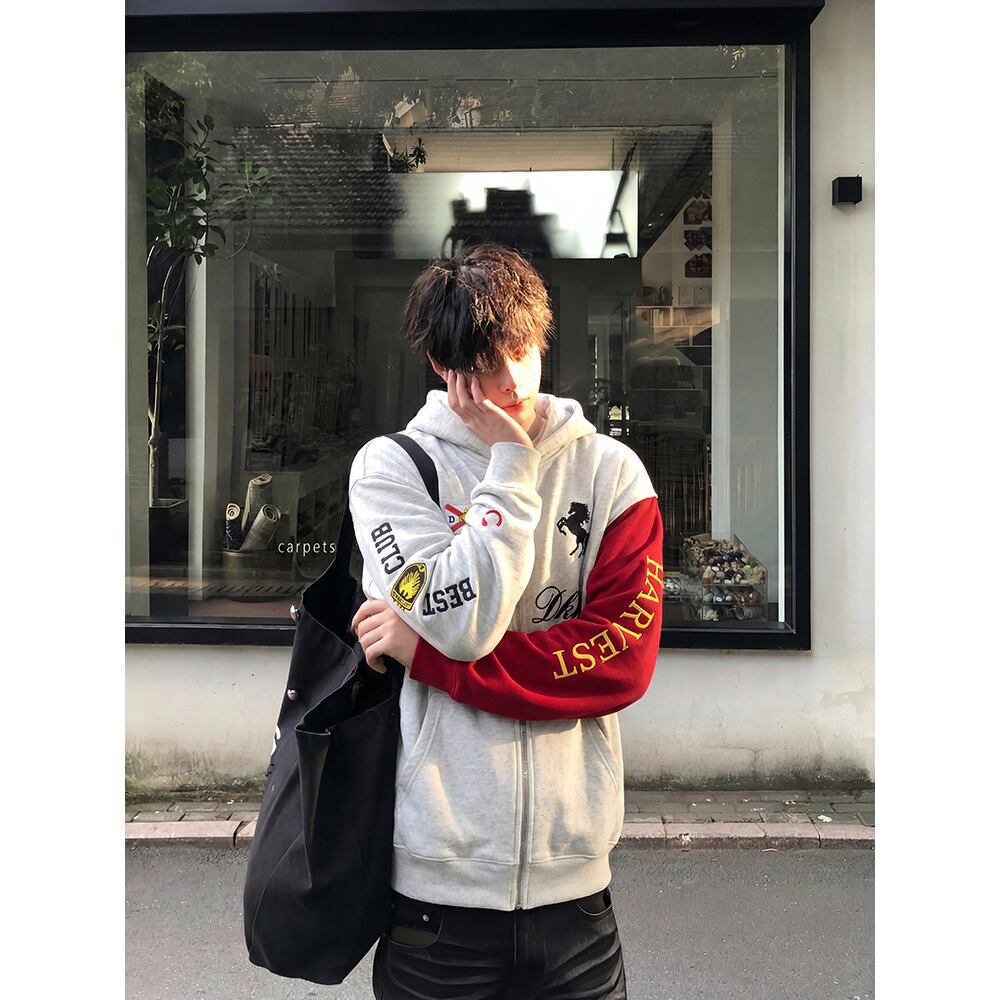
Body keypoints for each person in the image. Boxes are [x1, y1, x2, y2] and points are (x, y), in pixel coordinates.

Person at [348, 243, 664, 1000]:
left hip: (576, 897)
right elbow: (465, 622)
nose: (514, 381)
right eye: (488, 364)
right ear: (444, 366)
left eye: (523, 351)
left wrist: (432, 661)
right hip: (436, 901)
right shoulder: (392, 470)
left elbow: (620, 663)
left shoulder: (612, 475)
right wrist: (512, 468)